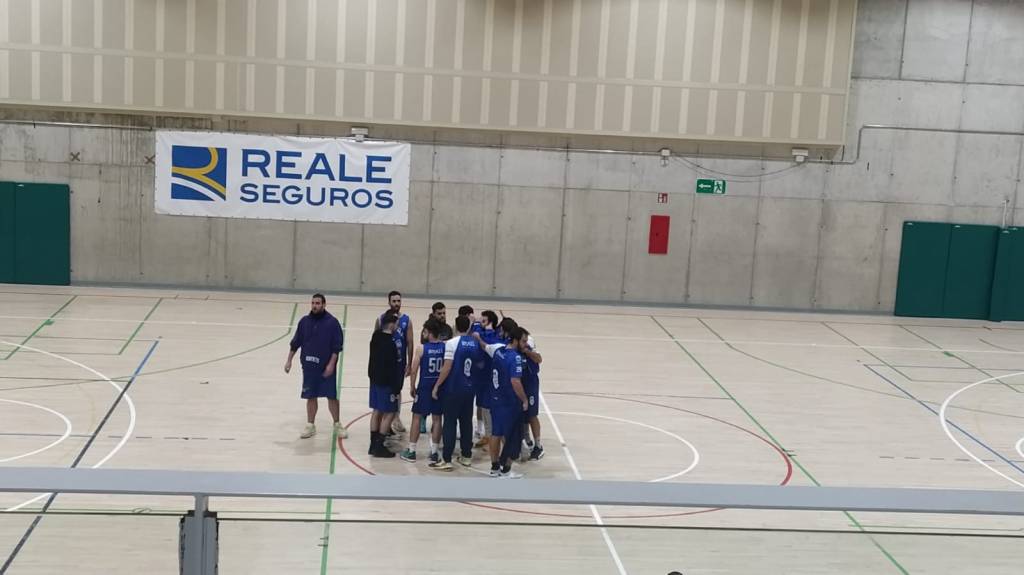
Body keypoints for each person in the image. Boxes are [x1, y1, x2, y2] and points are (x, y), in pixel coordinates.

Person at [285, 293, 345, 440]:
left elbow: (336, 347)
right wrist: (289, 361)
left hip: (326, 367)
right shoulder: (304, 322)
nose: (314, 306)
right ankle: (310, 425)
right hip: (309, 366)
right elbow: (296, 342)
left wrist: (331, 365)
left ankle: (337, 424)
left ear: (324, 304)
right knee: (310, 395)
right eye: (313, 303)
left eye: (317, 303)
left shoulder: (332, 323)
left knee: (331, 396)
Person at [429, 315, 483, 471]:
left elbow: (447, 367)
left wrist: (437, 385)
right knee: (466, 422)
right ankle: (466, 456)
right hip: (470, 389)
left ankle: (446, 459)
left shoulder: (452, 343)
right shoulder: (475, 343)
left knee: (450, 423)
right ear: (468, 327)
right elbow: (480, 364)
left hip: (453, 388)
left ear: (455, 326)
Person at [476, 326, 531, 478]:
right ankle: (506, 468)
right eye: (523, 341)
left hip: (495, 399)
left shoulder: (499, 351)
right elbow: (515, 381)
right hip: (509, 402)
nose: (526, 344)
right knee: (512, 436)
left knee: (496, 433)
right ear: (515, 341)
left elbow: (485, 347)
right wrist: (524, 399)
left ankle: (495, 467)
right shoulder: (515, 358)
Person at [401, 319, 446, 463]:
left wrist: (412, 386)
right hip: (439, 387)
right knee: (437, 419)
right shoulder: (445, 347)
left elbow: (414, 370)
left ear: (430, 333)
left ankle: (412, 451)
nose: (423, 333)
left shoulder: (421, 349)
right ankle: (434, 452)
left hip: (425, 387)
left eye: (425, 331)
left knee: (417, 417)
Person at [374, 291, 413, 434]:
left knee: (397, 390)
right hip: (384, 365)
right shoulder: (381, 319)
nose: (397, 303)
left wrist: (409, 364)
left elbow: (410, 342)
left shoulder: (406, 320)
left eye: (398, 301)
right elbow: (375, 341)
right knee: (385, 391)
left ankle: (396, 418)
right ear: (389, 302)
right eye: (394, 301)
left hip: (399, 363)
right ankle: (385, 422)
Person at [367, 313, 402, 458]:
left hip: (374, 380)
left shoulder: (375, 337)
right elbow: (392, 368)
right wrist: (396, 387)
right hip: (386, 383)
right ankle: (379, 446)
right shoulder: (390, 344)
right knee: (390, 413)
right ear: (392, 324)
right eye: (397, 324)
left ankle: (373, 444)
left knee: (376, 411)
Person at [519, 328, 544, 460]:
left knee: (532, 414)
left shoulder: (529, 342)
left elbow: (539, 359)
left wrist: (527, 351)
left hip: (530, 382)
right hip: (519, 381)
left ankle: (538, 446)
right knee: (521, 413)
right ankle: (525, 439)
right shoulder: (512, 345)